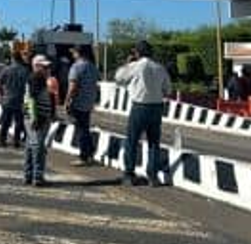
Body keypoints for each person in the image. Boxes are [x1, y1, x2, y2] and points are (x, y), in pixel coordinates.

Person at [115, 41, 172, 187]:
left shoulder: (135, 66)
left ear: (137, 53)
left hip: (139, 106)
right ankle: (153, 176)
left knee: (132, 141)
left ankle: (129, 174)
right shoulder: (160, 68)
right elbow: (167, 90)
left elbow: (119, 78)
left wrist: (126, 64)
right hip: (157, 107)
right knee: (154, 142)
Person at [65, 45, 101, 166]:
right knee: (85, 127)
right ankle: (90, 152)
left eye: (73, 52)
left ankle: (84, 156)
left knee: (80, 129)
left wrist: (67, 100)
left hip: (78, 101)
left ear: (78, 53)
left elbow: (73, 86)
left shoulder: (76, 67)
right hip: (88, 101)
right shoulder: (93, 67)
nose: (72, 55)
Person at [24, 55, 55, 186]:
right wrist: (34, 117)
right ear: (37, 66)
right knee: (38, 147)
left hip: (37, 115)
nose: (48, 69)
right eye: (45, 67)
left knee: (31, 145)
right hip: (38, 116)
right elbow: (32, 98)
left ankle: (29, 174)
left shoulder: (40, 79)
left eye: (48, 67)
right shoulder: (36, 78)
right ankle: (37, 176)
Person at [0, 50, 30, 148]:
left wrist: (1, 95)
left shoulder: (6, 70)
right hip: (20, 99)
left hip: (7, 99)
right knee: (19, 122)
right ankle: (16, 140)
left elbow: (0, 83)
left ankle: (2, 140)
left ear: (12, 58)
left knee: (6, 121)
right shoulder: (25, 70)